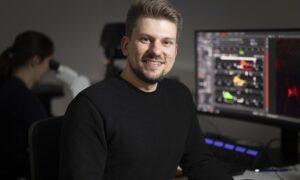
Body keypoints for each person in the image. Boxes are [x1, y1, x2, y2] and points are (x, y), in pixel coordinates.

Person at [59, 0, 234, 179]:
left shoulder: (180, 96)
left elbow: (200, 163)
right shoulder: (90, 107)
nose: (156, 51)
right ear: (126, 46)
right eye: (145, 39)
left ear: (175, 50)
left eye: (166, 42)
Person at [0, 30, 54, 179]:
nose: (49, 69)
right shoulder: (20, 96)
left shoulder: (8, 87)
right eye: (49, 62)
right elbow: (46, 136)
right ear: (36, 60)